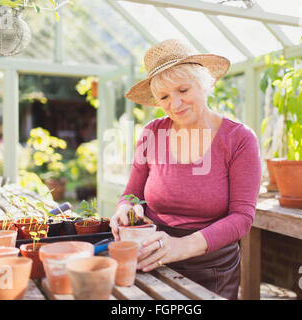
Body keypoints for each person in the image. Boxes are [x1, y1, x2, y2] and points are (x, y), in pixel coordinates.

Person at [109, 39, 261, 300]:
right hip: (152, 260)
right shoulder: (152, 134)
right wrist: (124, 210)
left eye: (183, 89)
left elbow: (242, 219)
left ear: (204, 84)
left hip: (211, 269)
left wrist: (180, 246)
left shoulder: (239, 139)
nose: (175, 104)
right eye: (164, 97)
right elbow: (131, 194)